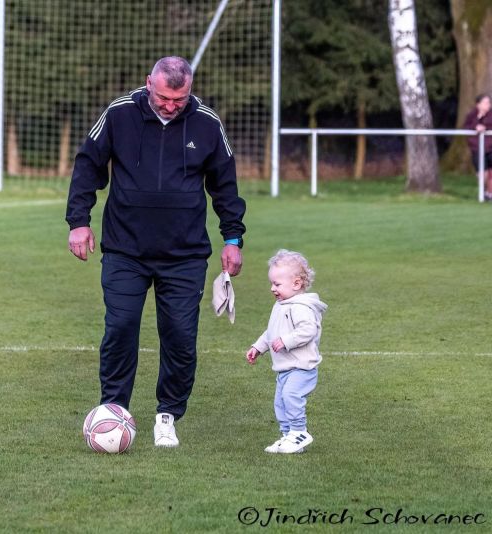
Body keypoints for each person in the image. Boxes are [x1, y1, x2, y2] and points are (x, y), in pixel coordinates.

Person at [66, 56, 246, 448]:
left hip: (184, 255)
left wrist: (232, 239)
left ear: (190, 91)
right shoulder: (119, 114)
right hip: (125, 249)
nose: (170, 106)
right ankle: (114, 410)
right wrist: (78, 221)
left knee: (180, 335)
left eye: (179, 100)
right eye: (164, 97)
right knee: (121, 327)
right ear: (149, 83)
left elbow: (225, 185)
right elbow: (87, 166)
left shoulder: (207, 122)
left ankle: (168, 415)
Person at [246, 250, 327, 454]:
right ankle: (288, 437)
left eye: (277, 284)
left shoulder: (300, 307)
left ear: (297, 284)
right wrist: (259, 347)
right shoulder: (281, 305)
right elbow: (272, 332)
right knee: (280, 403)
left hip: (301, 367)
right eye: (272, 283)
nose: (272, 288)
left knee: (291, 397)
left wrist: (287, 341)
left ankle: (299, 432)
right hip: (285, 368)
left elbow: (308, 330)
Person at [462, 94, 492, 200]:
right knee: (482, 172)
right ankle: (482, 193)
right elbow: (466, 126)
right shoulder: (472, 115)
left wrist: (485, 127)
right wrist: (476, 126)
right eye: (485, 103)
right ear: (478, 104)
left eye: (489, 103)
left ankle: (490, 193)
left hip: (490, 147)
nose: (487, 105)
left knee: (491, 172)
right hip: (477, 148)